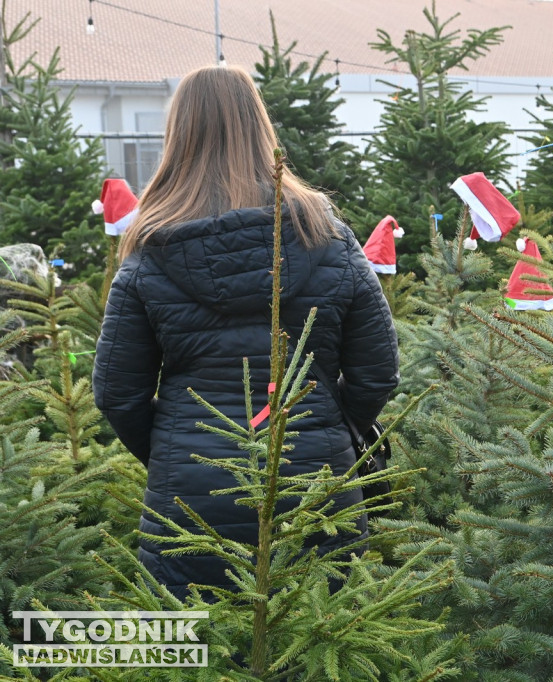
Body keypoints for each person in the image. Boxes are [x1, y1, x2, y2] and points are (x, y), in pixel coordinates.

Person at [92, 66, 400, 600]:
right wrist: (328, 427)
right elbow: (378, 372)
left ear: (178, 135)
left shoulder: (150, 249)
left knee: (193, 636)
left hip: (190, 489)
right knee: (317, 629)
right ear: (261, 127)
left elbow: (118, 393)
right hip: (316, 482)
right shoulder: (328, 236)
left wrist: (175, 450)